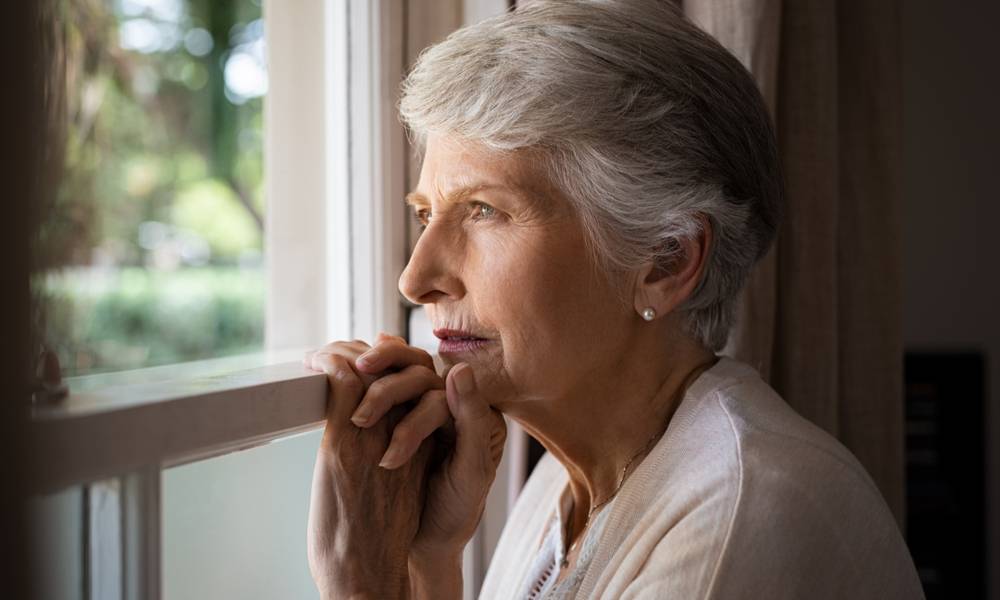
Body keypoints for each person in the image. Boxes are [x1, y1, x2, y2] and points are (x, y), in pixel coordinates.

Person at [303, 1, 924, 598]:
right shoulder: (562, 486)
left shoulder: (743, 511)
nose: (416, 280)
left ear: (666, 261)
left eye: (484, 211)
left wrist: (362, 585)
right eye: (425, 215)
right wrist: (430, 562)